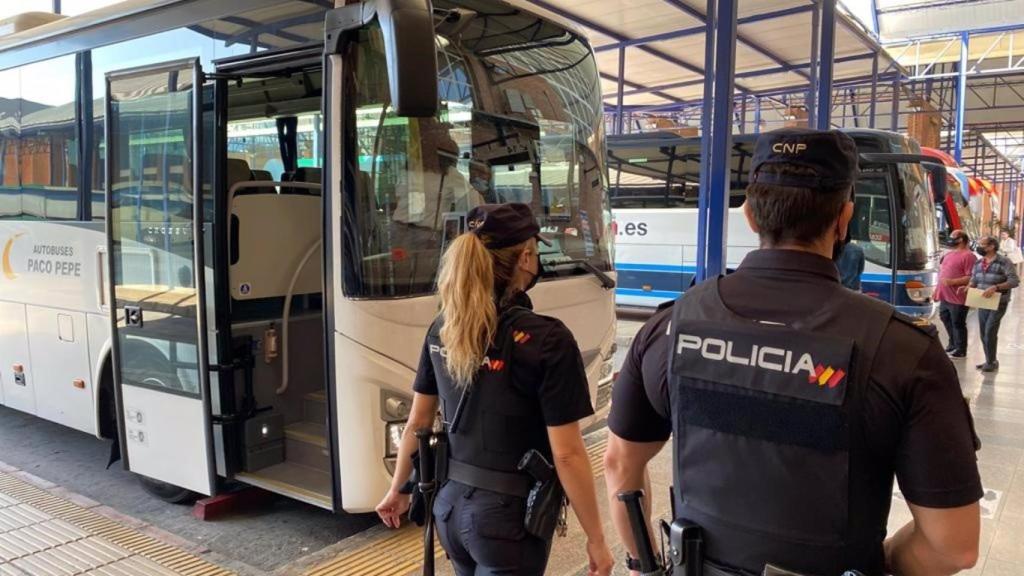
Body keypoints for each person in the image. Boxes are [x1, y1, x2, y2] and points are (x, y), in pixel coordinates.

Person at [604, 128, 982, 576]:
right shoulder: (903, 350)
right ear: (845, 218)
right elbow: (952, 547)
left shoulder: (669, 328)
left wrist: (644, 564)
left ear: (749, 215)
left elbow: (620, 465)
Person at [375, 203, 614, 576]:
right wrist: (596, 538)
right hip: (507, 522)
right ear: (526, 258)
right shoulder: (547, 339)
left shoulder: (444, 328)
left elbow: (418, 422)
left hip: (449, 508)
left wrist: (398, 490)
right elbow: (567, 454)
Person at [969, 235, 1020, 372]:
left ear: (992, 246)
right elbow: (974, 279)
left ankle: (991, 362)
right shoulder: (978, 263)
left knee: (990, 331)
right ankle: (990, 360)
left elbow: (1014, 281)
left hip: (998, 302)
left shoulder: (1004, 262)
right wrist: (969, 286)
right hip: (982, 301)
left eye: (982, 244)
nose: (979, 247)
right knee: (983, 333)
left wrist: (996, 287)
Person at [936, 230, 976, 358]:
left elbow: (971, 277)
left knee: (958, 323)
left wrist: (953, 282)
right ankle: (953, 343)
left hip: (958, 297)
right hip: (945, 296)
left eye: (953, 236)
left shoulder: (969, 256)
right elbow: (942, 273)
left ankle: (961, 349)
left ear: (961, 240)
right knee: (945, 318)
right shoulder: (948, 254)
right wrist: (937, 291)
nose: (950, 239)